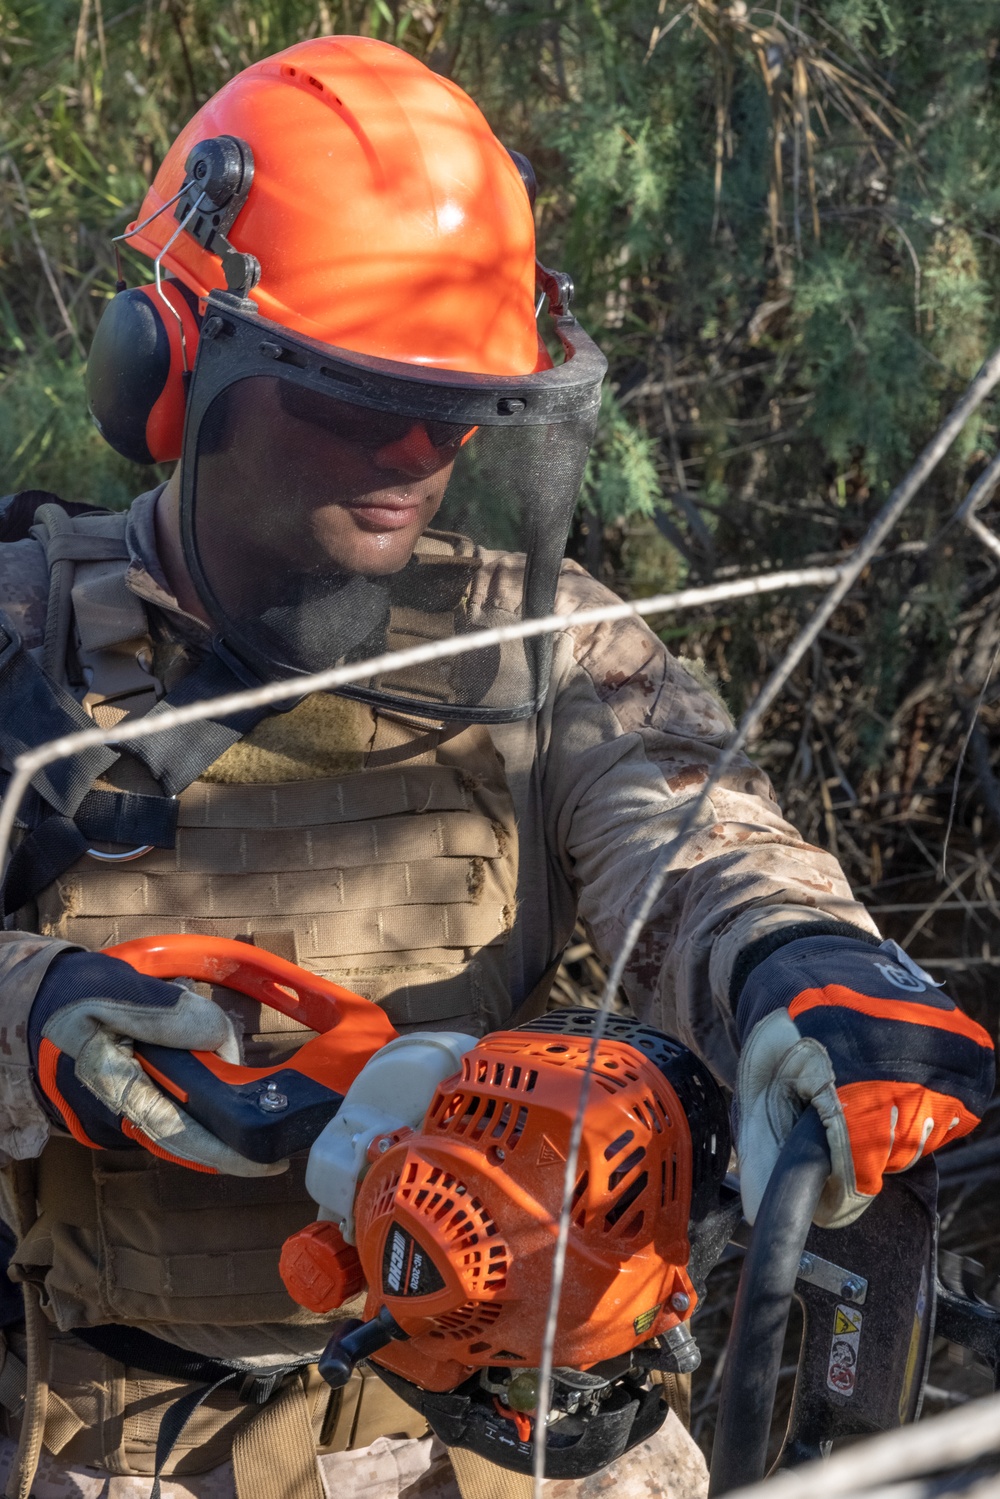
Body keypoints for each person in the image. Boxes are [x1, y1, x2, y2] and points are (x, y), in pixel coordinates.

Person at [0, 34, 991, 1499]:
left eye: (459, 408)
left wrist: (802, 966)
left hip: (514, 1437)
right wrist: (31, 1012)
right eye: (355, 402)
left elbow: (697, 843)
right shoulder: (22, 636)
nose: (417, 454)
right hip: (124, 1444)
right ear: (166, 363)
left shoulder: (548, 645)